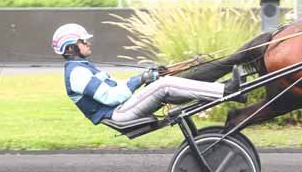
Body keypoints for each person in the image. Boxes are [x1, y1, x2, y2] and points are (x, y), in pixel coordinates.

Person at [51, 23, 244, 125]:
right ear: (70, 49)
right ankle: (226, 90)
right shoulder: (77, 74)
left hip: (123, 108)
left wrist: (147, 76)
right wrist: (141, 79)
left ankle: (224, 89)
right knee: (164, 85)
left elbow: (117, 87)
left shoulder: (84, 68)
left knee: (162, 81)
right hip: (118, 114)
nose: (88, 43)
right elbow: (112, 97)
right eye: (83, 41)